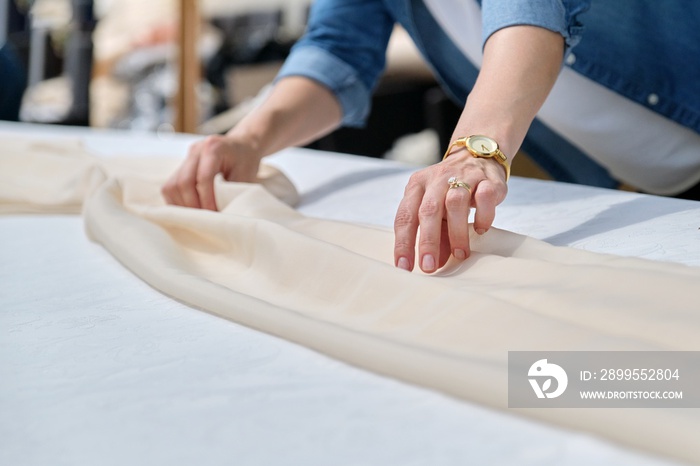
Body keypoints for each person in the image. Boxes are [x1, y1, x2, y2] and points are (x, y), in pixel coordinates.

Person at [162, 0, 700, 274]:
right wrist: (248, 140)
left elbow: (533, 9)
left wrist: (474, 150)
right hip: (646, 184)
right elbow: (337, 50)